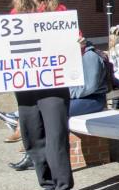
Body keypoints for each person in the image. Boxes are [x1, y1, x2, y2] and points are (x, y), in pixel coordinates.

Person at [0, 0, 81, 190]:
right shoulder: (14, 16)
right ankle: (48, 188)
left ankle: (64, 189)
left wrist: (79, 43)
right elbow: (3, 49)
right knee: (33, 137)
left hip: (54, 86)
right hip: (26, 88)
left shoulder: (59, 12)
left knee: (56, 137)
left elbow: (73, 45)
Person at [7, 37, 109, 171]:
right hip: (75, 98)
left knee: (52, 114)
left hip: (92, 100)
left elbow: (89, 87)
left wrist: (64, 95)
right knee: (44, 112)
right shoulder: (70, 56)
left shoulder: (90, 56)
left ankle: (20, 126)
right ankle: (31, 154)